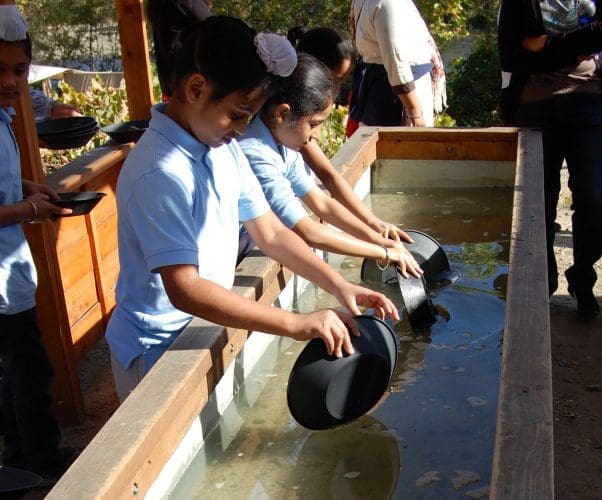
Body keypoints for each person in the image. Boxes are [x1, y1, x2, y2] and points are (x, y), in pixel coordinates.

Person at [105, 16, 400, 402]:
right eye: (238, 112)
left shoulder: (221, 146)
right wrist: (296, 323)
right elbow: (186, 289)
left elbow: (272, 233)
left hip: (204, 323)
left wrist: (339, 285)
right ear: (196, 88)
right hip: (157, 347)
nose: (243, 128)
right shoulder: (160, 171)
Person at [238, 53, 423, 277]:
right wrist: (382, 253)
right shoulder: (256, 153)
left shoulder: (283, 144)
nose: (317, 135)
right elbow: (307, 231)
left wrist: (379, 237)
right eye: (314, 124)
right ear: (282, 113)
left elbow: (322, 203)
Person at [0, 6, 77, 486]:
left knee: (16, 371)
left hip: (9, 272)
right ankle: (41, 462)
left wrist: (28, 185)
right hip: (1, 281)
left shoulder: (3, 115)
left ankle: (21, 455)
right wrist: (30, 212)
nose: (11, 81)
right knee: (28, 369)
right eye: (0, 69)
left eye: (19, 70)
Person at [498, 0, 602, 320]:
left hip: (590, 101)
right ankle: (541, 283)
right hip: (535, 106)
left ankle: (582, 279)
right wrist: (580, 43)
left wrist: (544, 49)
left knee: (595, 198)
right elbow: (511, 58)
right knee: (537, 204)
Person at [288, 25, 412, 241]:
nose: (336, 88)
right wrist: (376, 238)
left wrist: (375, 223)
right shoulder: (295, 122)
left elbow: (329, 180)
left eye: (342, 80)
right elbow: (327, 178)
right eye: (334, 79)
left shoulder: (301, 123)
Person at [348, 0, 446, 128]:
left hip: (385, 86)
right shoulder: (389, 3)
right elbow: (396, 62)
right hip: (399, 94)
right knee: (405, 144)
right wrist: (416, 114)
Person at [146, 0, 213, 98]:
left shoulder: (161, 5)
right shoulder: (189, 3)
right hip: (191, 92)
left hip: (174, 89)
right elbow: (217, 33)